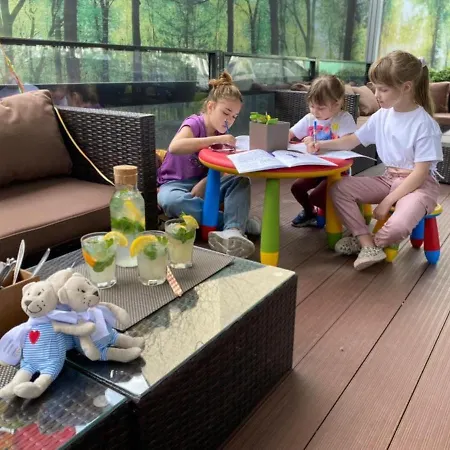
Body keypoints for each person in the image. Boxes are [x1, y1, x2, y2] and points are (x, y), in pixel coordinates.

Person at [306, 51, 442, 271]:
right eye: (374, 88)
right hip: (389, 178)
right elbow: (353, 140)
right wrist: (321, 145)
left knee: (398, 226)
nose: (376, 94)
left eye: (383, 89)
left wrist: (388, 201)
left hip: (419, 186)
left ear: (406, 87)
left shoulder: (425, 125)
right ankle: (367, 244)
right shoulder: (382, 116)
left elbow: (420, 174)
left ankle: (373, 243)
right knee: (339, 188)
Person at [157, 71, 260, 259]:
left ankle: (233, 230)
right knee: (170, 201)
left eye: (234, 116)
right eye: (226, 113)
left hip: (206, 184)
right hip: (174, 184)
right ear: (211, 106)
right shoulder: (194, 124)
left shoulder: (222, 134)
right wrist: (216, 139)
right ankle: (236, 224)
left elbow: (219, 167)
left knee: (240, 181)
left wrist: (204, 183)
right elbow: (175, 147)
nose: (229, 120)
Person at [289, 75, 357, 227]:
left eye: (320, 108)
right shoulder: (309, 118)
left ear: (337, 104)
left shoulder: (343, 118)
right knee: (297, 188)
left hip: (337, 172)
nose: (315, 111)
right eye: (312, 106)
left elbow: (348, 142)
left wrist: (321, 144)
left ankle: (333, 212)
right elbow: (290, 133)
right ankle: (309, 212)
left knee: (317, 196)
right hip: (315, 168)